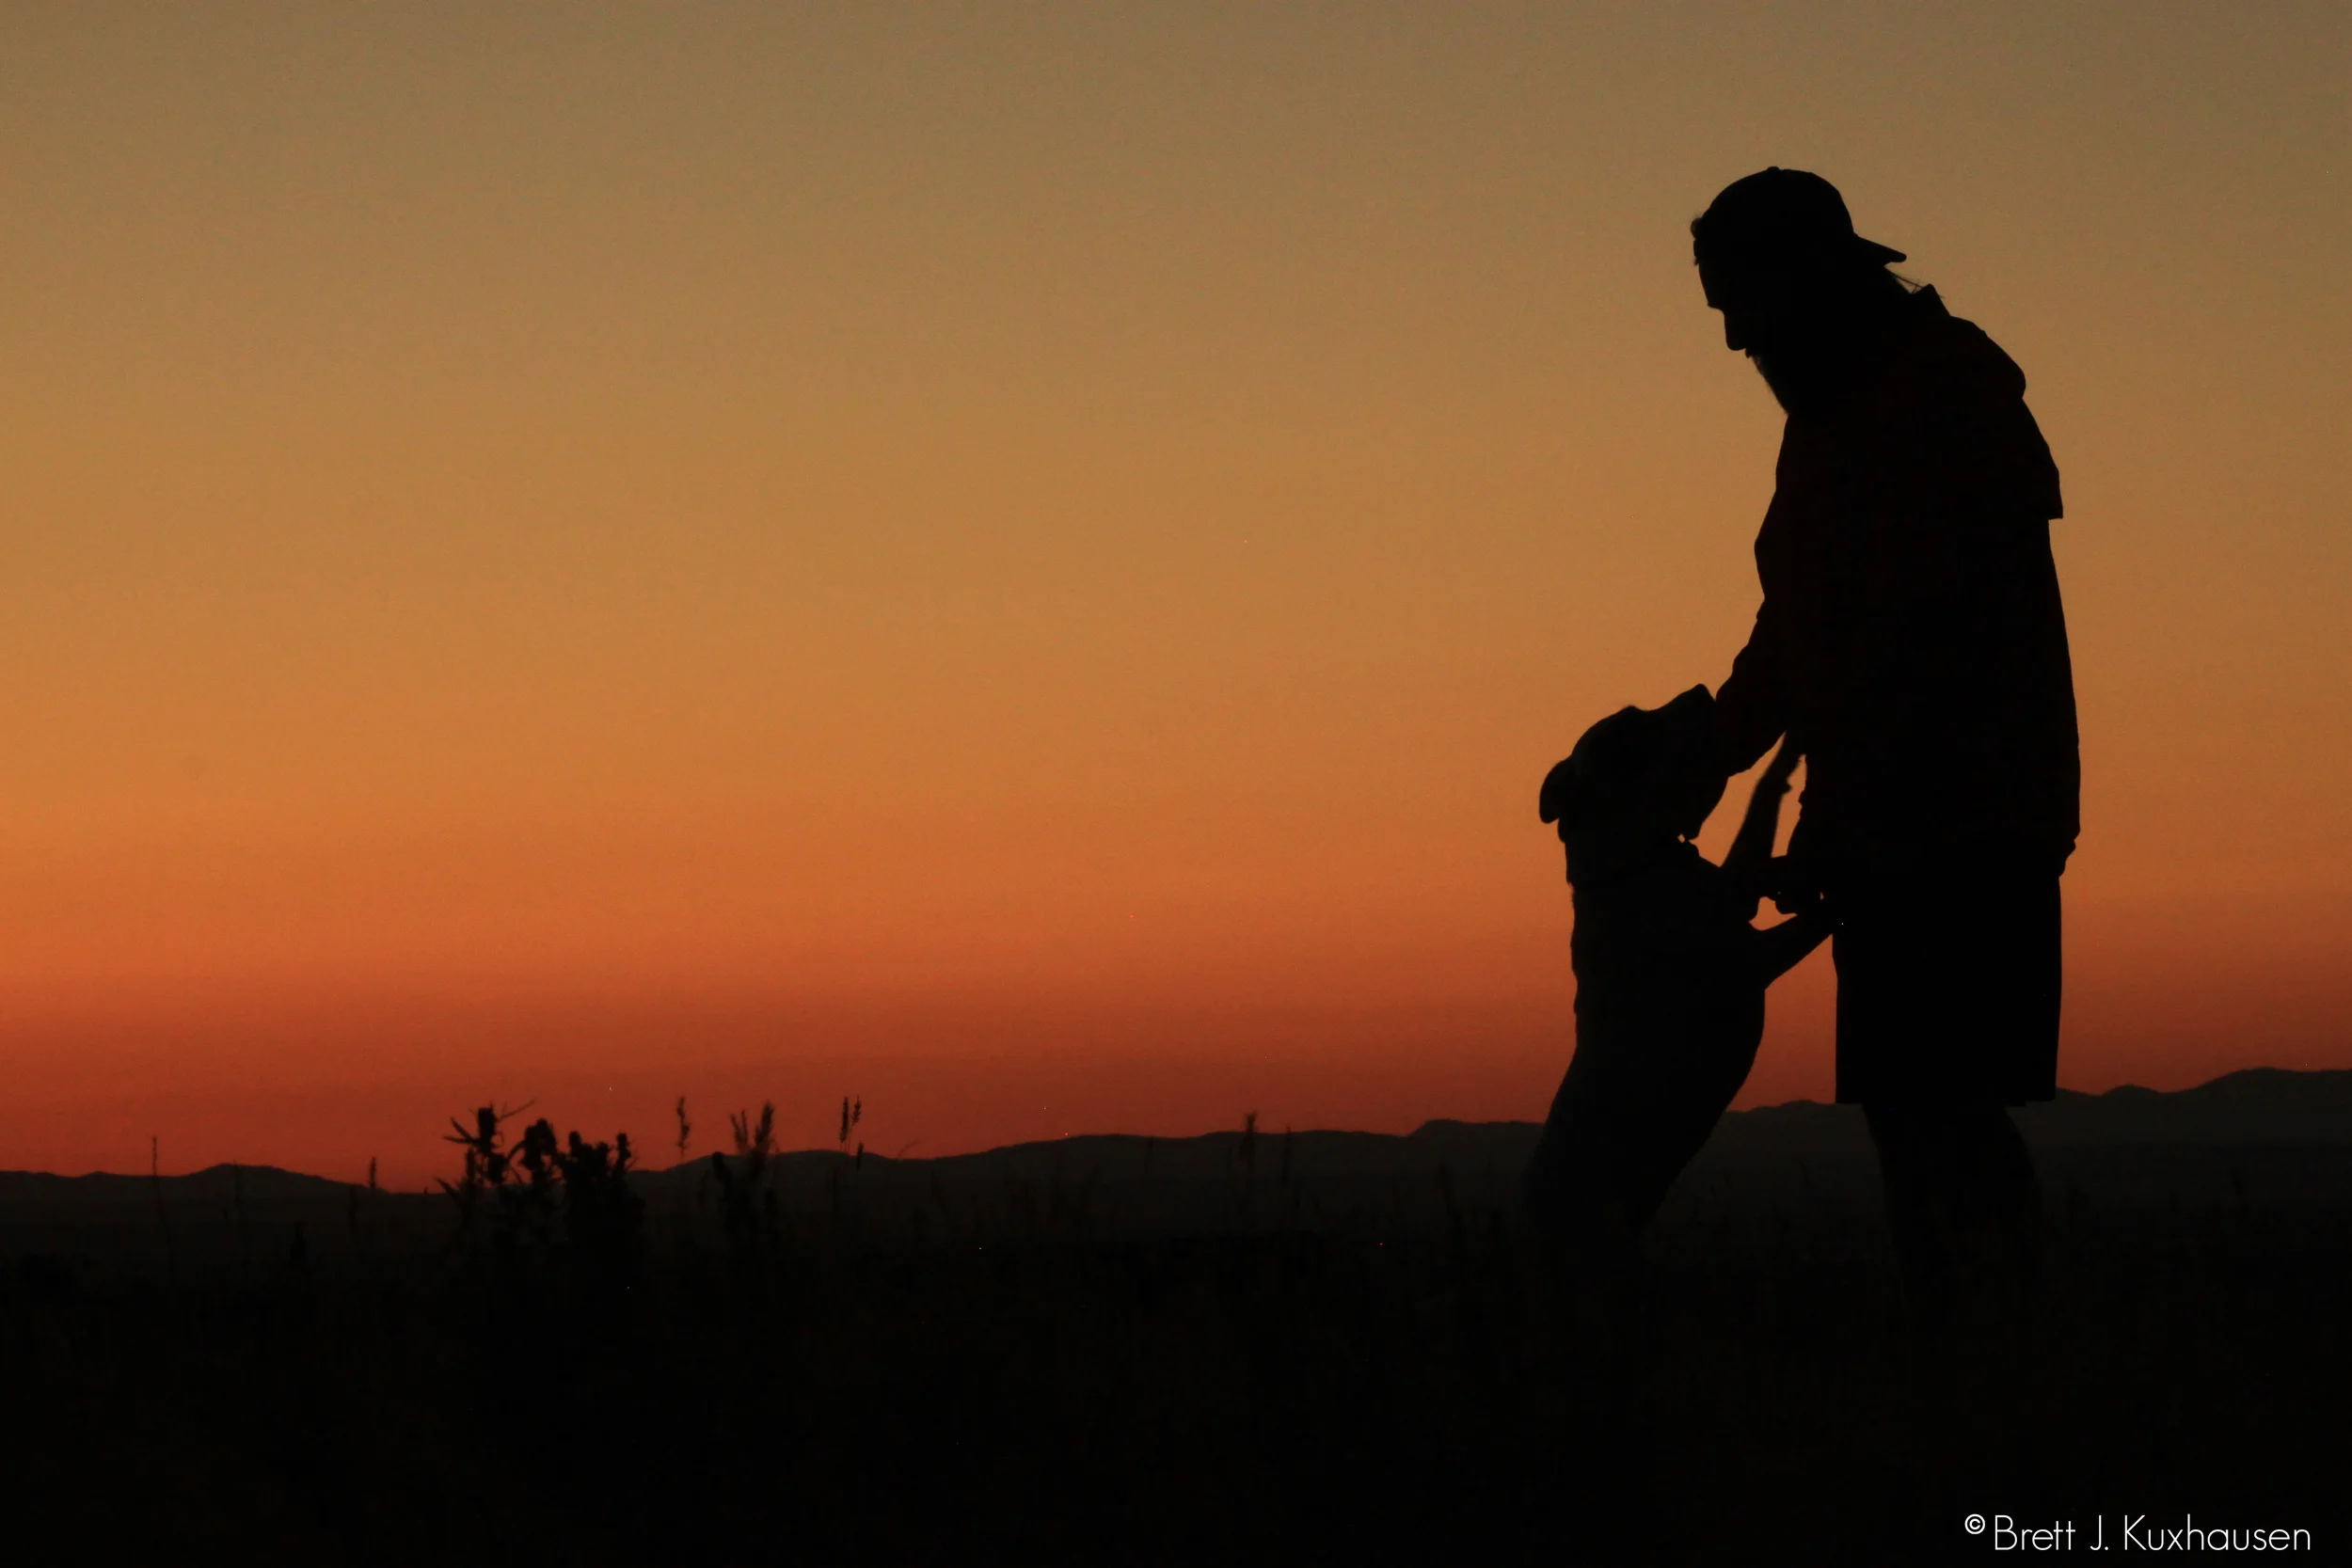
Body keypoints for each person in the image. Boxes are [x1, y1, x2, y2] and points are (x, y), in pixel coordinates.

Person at [1692, 168, 2078, 1320]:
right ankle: (1975, 1357)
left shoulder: (1941, 394)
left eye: (1738, 303)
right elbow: (1809, 616)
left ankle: (1997, 1358)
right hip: (1896, 818)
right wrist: (1718, 743)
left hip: (1963, 816)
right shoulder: (1843, 410)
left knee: (1940, 1104)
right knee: (1918, 1107)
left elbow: (1918, 628)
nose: (1730, 338)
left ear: (1807, 275)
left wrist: (1808, 796)